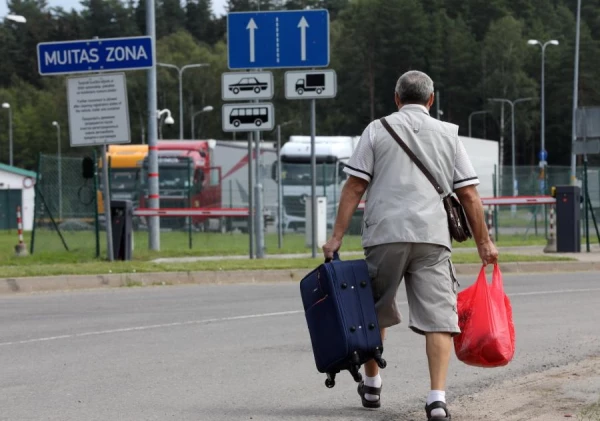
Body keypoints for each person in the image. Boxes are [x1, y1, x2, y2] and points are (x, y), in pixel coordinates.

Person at [322, 70, 498, 420]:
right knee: (438, 319)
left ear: (396, 98)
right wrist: (485, 243)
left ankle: (372, 386)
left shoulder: (376, 130)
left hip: (385, 233)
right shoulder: (450, 135)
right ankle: (436, 399)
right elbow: (469, 195)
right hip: (432, 237)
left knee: (374, 311)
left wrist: (336, 237)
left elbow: (354, 188)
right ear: (431, 100)